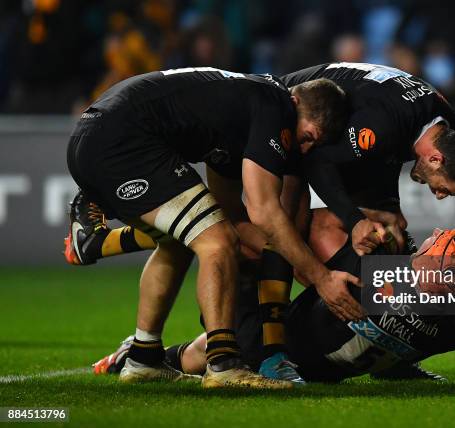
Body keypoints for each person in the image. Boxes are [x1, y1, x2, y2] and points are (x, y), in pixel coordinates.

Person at [93, 150, 455, 382]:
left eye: (430, 262)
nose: (422, 265)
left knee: (228, 247)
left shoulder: (390, 276)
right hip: (311, 353)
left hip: (281, 348)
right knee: (241, 246)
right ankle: (121, 264)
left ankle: (138, 335)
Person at [66, 66, 362, 388]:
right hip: (122, 141)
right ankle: (223, 366)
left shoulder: (238, 115)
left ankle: (144, 357)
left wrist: (279, 251)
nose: (302, 150)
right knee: (216, 241)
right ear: (296, 102)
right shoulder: (275, 106)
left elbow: (233, 216)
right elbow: (264, 214)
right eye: (307, 138)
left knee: (183, 239)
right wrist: (321, 277)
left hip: (99, 135)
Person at [281, 62, 455, 256]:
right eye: (444, 189)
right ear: (436, 159)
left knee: (382, 222)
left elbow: (391, 151)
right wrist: (354, 220)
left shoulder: (443, 122)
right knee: (292, 225)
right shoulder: (380, 127)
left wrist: (389, 205)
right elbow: (315, 159)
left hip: (330, 123)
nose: (438, 195)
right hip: (282, 110)